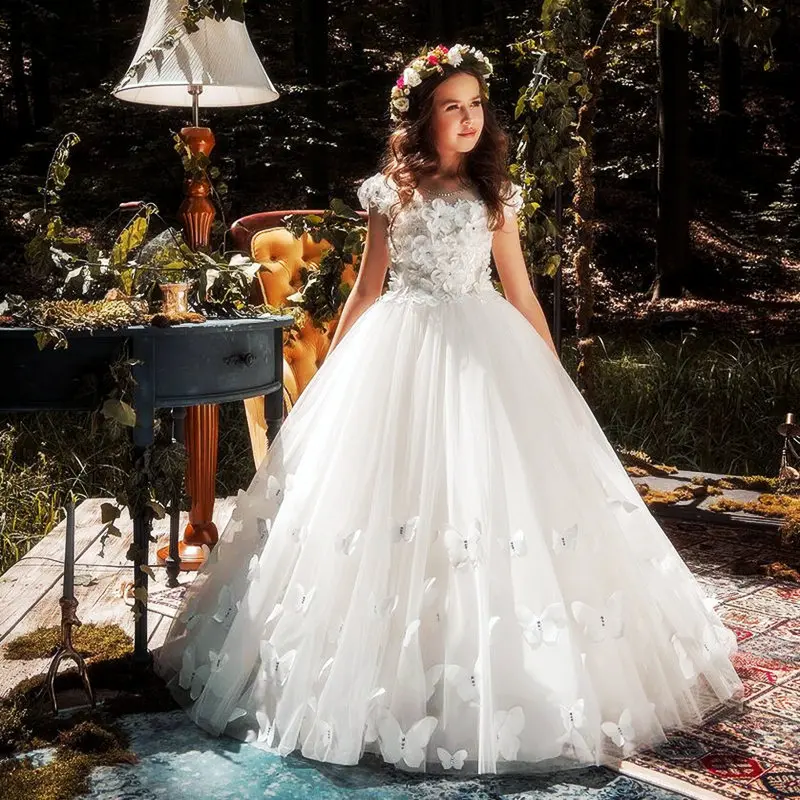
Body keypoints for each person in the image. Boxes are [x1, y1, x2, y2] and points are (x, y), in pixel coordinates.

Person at [154, 43, 743, 775]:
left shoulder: (497, 195)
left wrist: (554, 379)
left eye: (475, 105)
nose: (467, 119)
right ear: (423, 119)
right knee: (395, 508)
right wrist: (333, 374)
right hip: (398, 348)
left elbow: (520, 292)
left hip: (484, 349)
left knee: (491, 503)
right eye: (450, 107)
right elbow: (367, 290)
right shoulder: (387, 193)